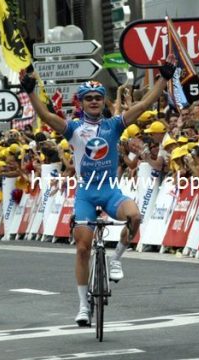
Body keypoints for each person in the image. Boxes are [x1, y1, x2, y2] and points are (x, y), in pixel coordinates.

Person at [20, 56, 177, 327]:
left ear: (104, 101)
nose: (94, 101)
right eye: (88, 97)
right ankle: (83, 306)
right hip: (85, 194)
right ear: (81, 103)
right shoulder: (73, 129)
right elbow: (46, 115)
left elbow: (144, 104)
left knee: (135, 217)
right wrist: (31, 91)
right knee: (83, 248)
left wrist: (163, 78)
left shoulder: (113, 125)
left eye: (98, 97)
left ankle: (116, 259)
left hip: (110, 190)